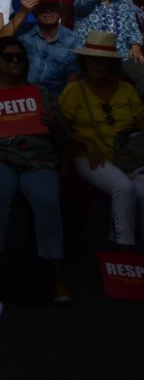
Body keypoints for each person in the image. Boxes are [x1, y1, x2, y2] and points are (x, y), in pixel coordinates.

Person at [0, 36, 68, 300]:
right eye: (8, 56)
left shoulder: (40, 93)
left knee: (48, 201)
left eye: (20, 57)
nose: (15, 61)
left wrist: (54, 123)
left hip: (37, 160)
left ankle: (55, 273)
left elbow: (63, 136)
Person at [60, 31, 144, 250]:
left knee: (142, 190)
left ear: (112, 65)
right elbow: (59, 129)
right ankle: (123, 250)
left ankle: (134, 248)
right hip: (88, 155)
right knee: (123, 188)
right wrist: (84, 143)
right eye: (91, 60)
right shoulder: (74, 90)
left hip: (126, 156)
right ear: (84, 63)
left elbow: (140, 123)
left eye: (102, 61)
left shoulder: (127, 90)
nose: (96, 65)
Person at [73, 0, 144, 94]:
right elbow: (82, 2)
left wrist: (135, 45)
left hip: (122, 56)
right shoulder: (85, 5)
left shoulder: (124, 6)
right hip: (92, 58)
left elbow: (134, 30)